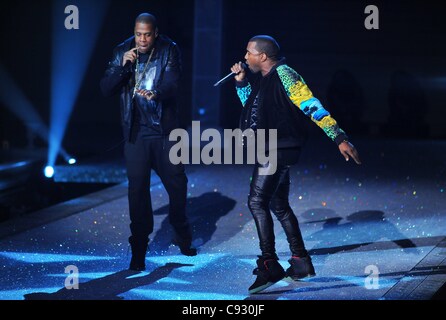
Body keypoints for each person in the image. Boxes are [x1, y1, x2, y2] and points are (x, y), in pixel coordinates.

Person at [230, 35, 361, 294]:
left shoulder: (286, 74)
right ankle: (300, 262)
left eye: (249, 53)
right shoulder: (264, 79)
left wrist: (339, 137)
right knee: (278, 204)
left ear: (263, 56)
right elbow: (251, 109)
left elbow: (311, 105)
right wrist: (241, 83)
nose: (245, 58)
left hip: (278, 148)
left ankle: (269, 264)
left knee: (256, 202)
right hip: (271, 147)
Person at [100, 13, 197, 271]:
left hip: (165, 132)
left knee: (177, 186)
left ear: (155, 33)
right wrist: (123, 67)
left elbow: (173, 84)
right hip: (136, 134)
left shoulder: (169, 49)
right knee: (137, 192)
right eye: (138, 34)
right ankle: (139, 249)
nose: (142, 39)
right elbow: (105, 88)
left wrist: (156, 93)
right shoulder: (122, 50)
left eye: (147, 34)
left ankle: (182, 231)